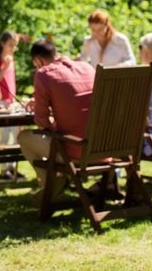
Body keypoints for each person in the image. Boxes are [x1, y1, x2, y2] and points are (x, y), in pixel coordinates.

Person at [18, 39, 96, 203]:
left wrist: (47, 114)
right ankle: (58, 183)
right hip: (104, 147)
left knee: (24, 137)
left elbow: (42, 124)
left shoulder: (44, 73)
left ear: (38, 61)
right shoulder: (87, 68)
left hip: (77, 151)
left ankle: (50, 186)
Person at [0, 31, 25, 181]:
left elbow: (11, 83)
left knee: (17, 135)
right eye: (11, 45)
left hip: (10, 102)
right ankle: (3, 172)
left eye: (15, 46)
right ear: (3, 44)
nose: (13, 48)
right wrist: (5, 66)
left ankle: (12, 168)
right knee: (4, 135)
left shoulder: (11, 59)